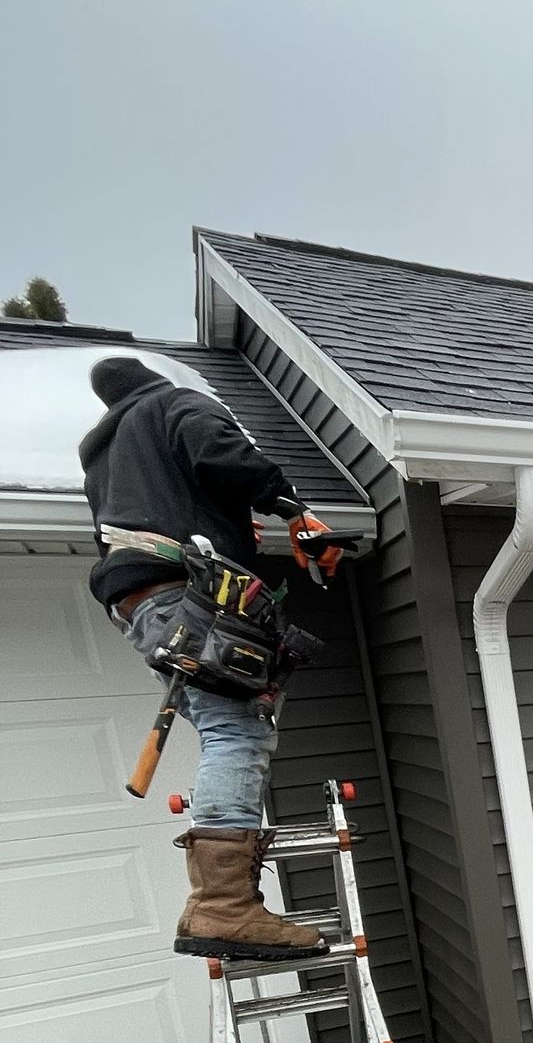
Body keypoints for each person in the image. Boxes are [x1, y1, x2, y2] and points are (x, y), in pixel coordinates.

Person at [81, 354, 345, 959]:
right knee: (236, 732)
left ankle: (222, 899)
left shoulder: (103, 457)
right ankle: (224, 907)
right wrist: (293, 509)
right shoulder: (172, 403)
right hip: (188, 598)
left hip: (143, 607)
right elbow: (221, 453)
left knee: (224, 723)